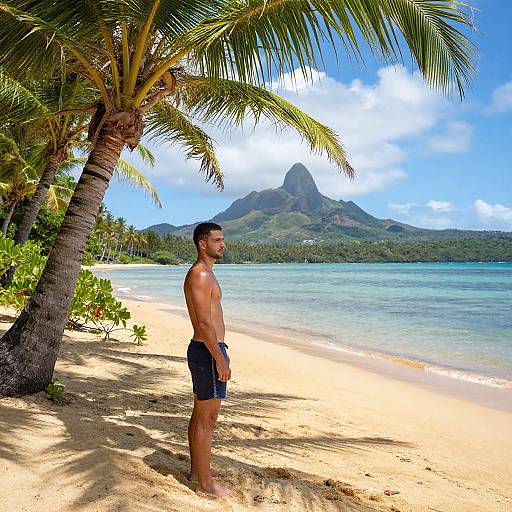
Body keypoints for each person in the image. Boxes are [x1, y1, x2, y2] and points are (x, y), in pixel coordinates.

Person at [183, 222, 235, 497]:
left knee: (199, 415)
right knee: (207, 419)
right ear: (202, 244)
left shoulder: (206, 274)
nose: (222, 244)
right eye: (217, 240)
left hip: (206, 349)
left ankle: (197, 472)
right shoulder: (200, 275)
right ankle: (205, 484)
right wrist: (221, 359)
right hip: (207, 350)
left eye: (223, 239)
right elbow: (204, 322)